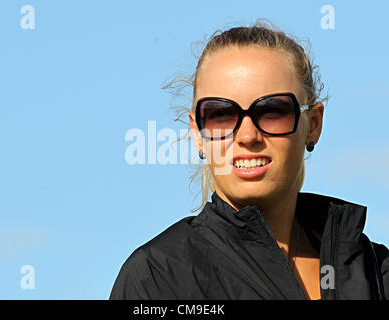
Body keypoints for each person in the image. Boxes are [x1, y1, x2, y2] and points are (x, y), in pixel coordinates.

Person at [109, 21, 389, 300]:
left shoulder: (375, 271)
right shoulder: (159, 277)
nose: (247, 135)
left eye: (273, 111)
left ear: (313, 124)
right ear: (198, 132)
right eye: (221, 114)